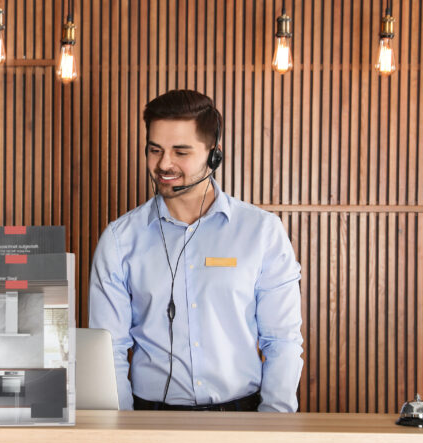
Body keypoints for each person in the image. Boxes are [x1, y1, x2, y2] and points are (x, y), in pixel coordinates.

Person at [88, 89, 303, 411]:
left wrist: (273, 423)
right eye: (155, 150)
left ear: (214, 155)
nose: (164, 164)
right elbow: (109, 349)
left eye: (181, 152)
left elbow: (282, 341)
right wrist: (122, 427)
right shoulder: (120, 239)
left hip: (242, 417)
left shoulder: (261, 232)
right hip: (149, 419)